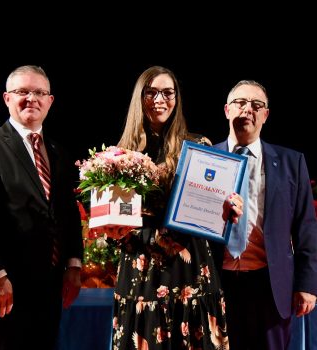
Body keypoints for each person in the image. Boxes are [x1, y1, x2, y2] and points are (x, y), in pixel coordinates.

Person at [104, 66, 243, 349]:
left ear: (176, 98)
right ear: (139, 97)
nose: (160, 99)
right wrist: (112, 230)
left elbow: (214, 209)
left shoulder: (198, 146)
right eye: (151, 92)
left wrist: (227, 208)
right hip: (141, 276)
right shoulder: (119, 155)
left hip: (191, 272)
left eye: (168, 92)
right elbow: (115, 230)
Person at [0, 65, 83, 350]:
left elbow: (67, 214)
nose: (31, 98)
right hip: (4, 290)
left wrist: (73, 265)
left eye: (39, 92)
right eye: (22, 91)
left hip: (47, 292)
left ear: (50, 101)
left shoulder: (58, 153)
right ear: (7, 98)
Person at [212, 80, 317, 350]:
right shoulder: (206, 159)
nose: (248, 109)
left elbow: (306, 227)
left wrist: (307, 284)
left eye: (257, 105)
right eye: (240, 103)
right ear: (226, 110)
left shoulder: (291, 162)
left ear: (266, 115)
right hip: (217, 283)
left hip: (270, 285)